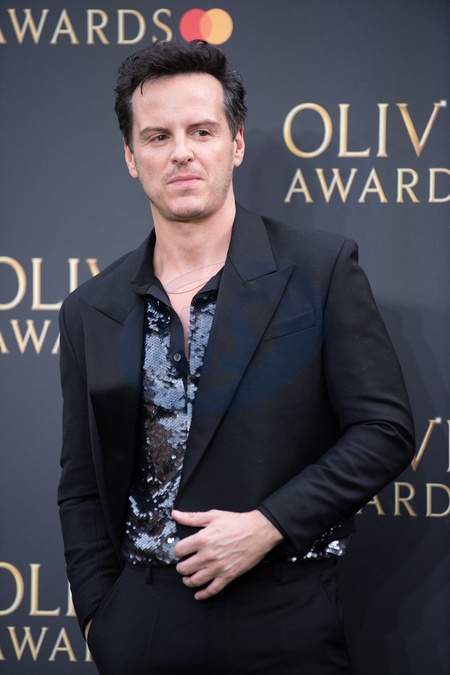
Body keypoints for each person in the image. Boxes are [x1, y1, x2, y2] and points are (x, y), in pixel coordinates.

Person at [58, 40, 415, 674]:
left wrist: (269, 524)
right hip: (143, 621)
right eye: (158, 136)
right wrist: (99, 618)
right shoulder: (90, 307)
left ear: (236, 144)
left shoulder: (320, 268)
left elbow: (383, 431)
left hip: (282, 607)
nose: (181, 152)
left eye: (202, 131)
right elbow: (82, 486)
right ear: (131, 157)